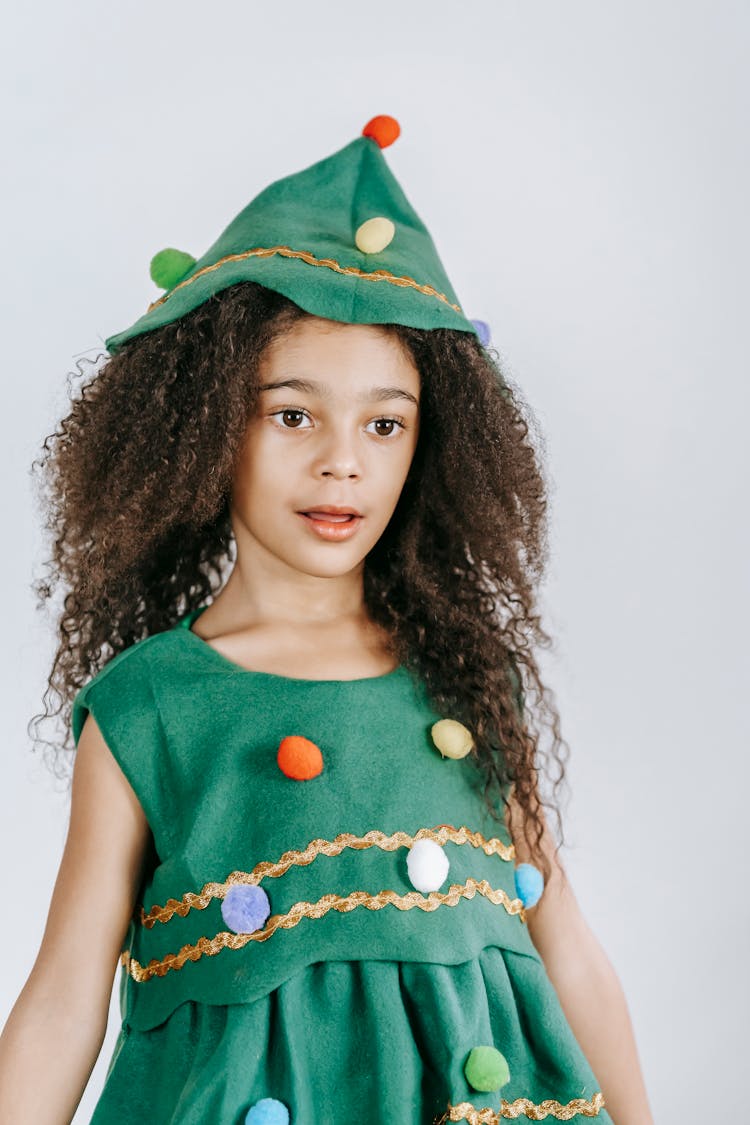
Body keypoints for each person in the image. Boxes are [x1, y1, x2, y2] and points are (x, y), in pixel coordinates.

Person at [0, 114, 653, 1124]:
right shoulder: (150, 707)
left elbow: (565, 943)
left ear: (429, 449)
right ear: (205, 425)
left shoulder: (473, 681)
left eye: (384, 423)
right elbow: (62, 1000)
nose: (342, 460)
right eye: (293, 413)